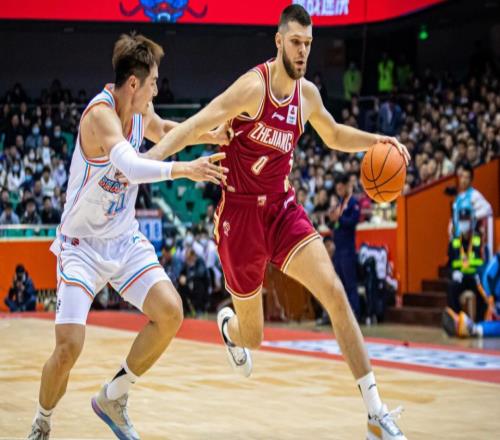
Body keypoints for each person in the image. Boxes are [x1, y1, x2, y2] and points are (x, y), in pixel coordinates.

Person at [146, 5, 410, 439]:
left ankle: (375, 412)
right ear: (279, 41)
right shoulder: (253, 87)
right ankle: (229, 327)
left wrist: (379, 140)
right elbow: (195, 125)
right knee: (253, 337)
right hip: (240, 216)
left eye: (308, 43)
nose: (303, 51)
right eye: (296, 42)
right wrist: (146, 162)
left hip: (282, 209)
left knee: (335, 293)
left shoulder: (308, 96)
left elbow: (334, 134)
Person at [27, 33, 229, 440]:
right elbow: (131, 167)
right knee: (68, 348)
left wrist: (212, 134)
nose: (156, 89)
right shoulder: (99, 116)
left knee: (170, 312)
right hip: (81, 246)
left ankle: (115, 395)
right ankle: (42, 421)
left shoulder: (140, 110)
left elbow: (165, 130)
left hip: (123, 238)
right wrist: (185, 170)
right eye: (152, 82)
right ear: (133, 83)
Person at [443, 253, 500, 338]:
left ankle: (473, 328)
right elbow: (488, 277)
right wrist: (491, 297)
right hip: (489, 287)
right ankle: (471, 327)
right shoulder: (495, 266)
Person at [445, 207, 485, 321]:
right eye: (462, 220)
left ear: (471, 221)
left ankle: (478, 323)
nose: (464, 223)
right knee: (451, 287)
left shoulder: (478, 240)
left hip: (474, 277)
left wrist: (480, 274)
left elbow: (483, 261)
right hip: (460, 277)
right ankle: (457, 320)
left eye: (466, 219)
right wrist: (453, 273)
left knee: (483, 291)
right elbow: (449, 265)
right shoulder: (454, 242)